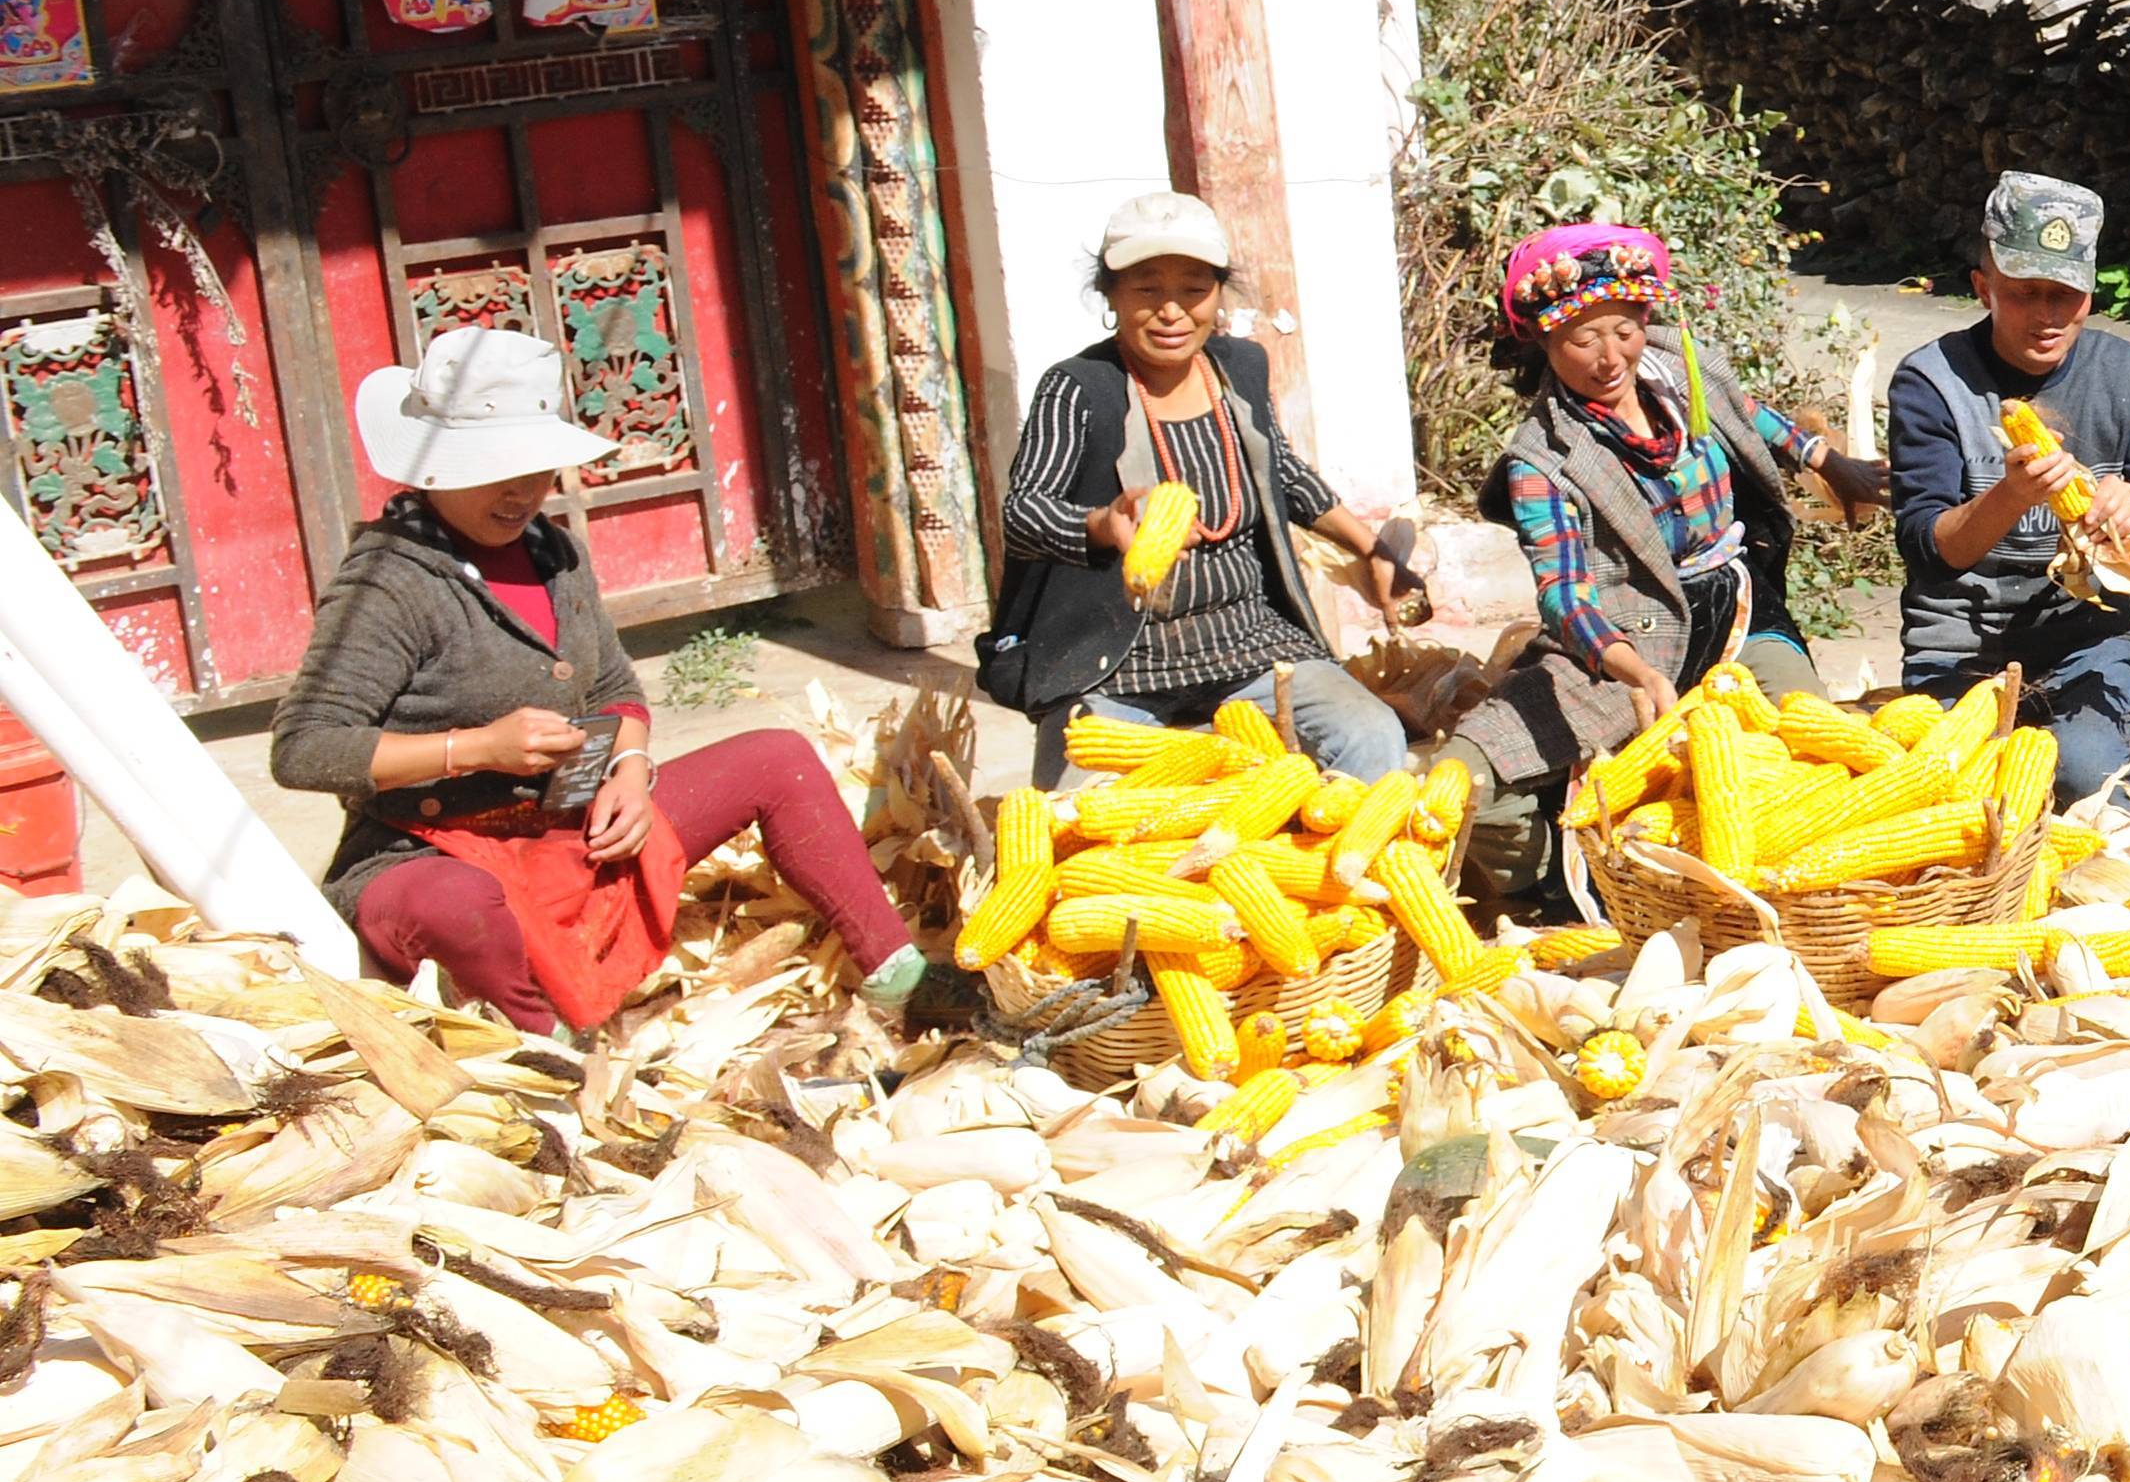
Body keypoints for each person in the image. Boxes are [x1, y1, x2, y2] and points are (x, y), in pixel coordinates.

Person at [272, 324, 919, 1030]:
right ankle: (551, 1059)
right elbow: (304, 748)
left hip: (571, 829)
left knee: (778, 760)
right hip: (428, 851)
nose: (524, 490)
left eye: (541, 467)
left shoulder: (556, 554)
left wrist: (631, 773)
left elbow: (615, 687)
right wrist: (477, 749)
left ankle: (901, 977)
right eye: (497, 468)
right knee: (460, 912)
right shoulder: (386, 585)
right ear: (437, 466)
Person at [985, 189, 1420, 794]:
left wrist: (1371, 549)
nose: (1172, 311)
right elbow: (1024, 513)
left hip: (1248, 640)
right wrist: (1102, 526)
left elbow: (1282, 474)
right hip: (1118, 660)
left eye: (1194, 289)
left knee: (1371, 737)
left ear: (1217, 296)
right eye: (1145, 289)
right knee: (1075, 815)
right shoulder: (1078, 389)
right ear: (1110, 297)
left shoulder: (1240, 368)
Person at [1478, 223, 1883, 839]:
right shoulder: (1541, 462)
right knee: (1497, 779)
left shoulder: (1680, 368)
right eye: (1584, 339)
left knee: (1811, 744)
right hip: (1630, 628)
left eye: (1624, 331)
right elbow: (1564, 596)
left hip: (1737, 602)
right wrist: (1637, 674)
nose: (1610, 358)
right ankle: (1563, 886)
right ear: (1545, 338)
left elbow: (1750, 417)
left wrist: (1829, 461)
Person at [1884, 170, 2130, 792]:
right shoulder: (1930, 383)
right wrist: (2011, 496)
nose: (2047, 316)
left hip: (2087, 640)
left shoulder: (2127, 372)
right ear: (1983, 288)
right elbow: (1929, 549)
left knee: (2081, 776)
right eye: (2024, 293)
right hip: (1959, 648)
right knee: (1958, 794)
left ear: (2091, 294)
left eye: (2065, 294)